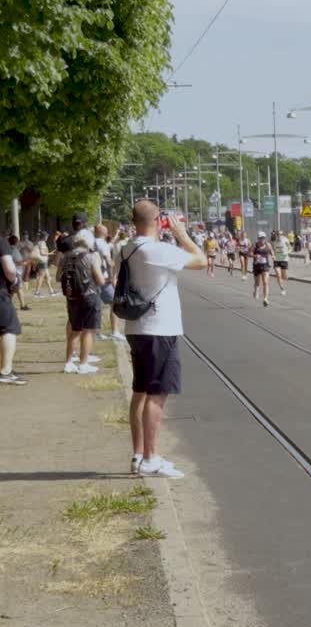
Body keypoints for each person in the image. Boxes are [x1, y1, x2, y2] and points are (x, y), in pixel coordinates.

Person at [120, 200, 204, 477]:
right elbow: (200, 260)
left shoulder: (126, 248)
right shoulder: (157, 250)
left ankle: (139, 454)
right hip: (160, 328)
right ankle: (151, 458)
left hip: (136, 327)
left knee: (141, 391)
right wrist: (181, 234)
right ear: (158, 220)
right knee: (157, 394)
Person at [60, 236, 107, 375]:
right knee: (88, 330)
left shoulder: (66, 257)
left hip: (72, 297)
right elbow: (100, 280)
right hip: (90, 295)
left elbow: (58, 277)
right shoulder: (91, 256)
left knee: (75, 330)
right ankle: (83, 364)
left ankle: (68, 363)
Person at [0, 233, 26, 385]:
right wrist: (15, 279)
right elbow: (9, 269)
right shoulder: (1, 243)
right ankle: (5, 371)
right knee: (9, 328)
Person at [92, 225, 115, 342]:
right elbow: (108, 261)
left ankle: (96, 332)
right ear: (104, 232)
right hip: (104, 278)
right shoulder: (102, 244)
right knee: (114, 303)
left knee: (97, 305)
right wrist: (111, 277)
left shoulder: (91, 242)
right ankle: (114, 331)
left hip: (93, 277)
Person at [250, 231, 273, 307]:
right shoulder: (254, 245)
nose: (262, 239)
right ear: (258, 238)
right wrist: (255, 256)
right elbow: (249, 253)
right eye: (260, 238)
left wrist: (273, 256)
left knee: (265, 282)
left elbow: (271, 251)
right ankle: (256, 290)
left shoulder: (268, 245)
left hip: (265, 266)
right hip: (257, 266)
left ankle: (265, 299)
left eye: (263, 238)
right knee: (257, 282)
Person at [28, 232, 54, 297]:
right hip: (43, 261)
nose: (47, 237)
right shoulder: (42, 243)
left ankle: (51, 291)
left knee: (47, 276)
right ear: (44, 237)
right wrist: (51, 253)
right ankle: (37, 293)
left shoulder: (39, 242)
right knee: (41, 277)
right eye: (47, 236)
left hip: (41, 261)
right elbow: (42, 253)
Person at [272, 230, 291, 296]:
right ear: (276, 235)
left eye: (280, 234)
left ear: (282, 235)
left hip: (284, 260)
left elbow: (290, 248)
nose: (279, 236)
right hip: (276, 260)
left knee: (285, 277)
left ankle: (283, 282)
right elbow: (273, 250)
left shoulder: (285, 240)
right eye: (278, 234)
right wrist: (273, 255)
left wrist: (287, 252)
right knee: (278, 275)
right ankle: (282, 289)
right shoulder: (274, 241)